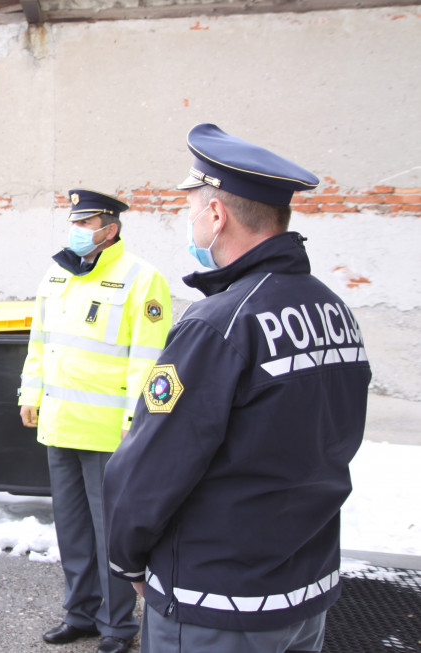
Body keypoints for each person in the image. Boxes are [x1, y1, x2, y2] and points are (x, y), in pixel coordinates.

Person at [103, 124, 373, 653]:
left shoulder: (219, 323)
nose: (190, 223)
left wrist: (125, 557)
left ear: (217, 215)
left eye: (191, 210)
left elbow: (154, 461)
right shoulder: (333, 311)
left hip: (217, 601)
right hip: (304, 587)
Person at [18, 190, 172, 653]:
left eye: (87, 223)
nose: (78, 231)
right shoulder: (57, 272)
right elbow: (39, 341)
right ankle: (79, 613)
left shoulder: (142, 279)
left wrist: (135, 420)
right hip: (60, 424)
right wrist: (30, 391)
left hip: (111, 433)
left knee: (111, 535)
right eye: (75, 222)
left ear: (112, 228)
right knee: (71, 529)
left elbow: (148, 359)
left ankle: (117, 626)